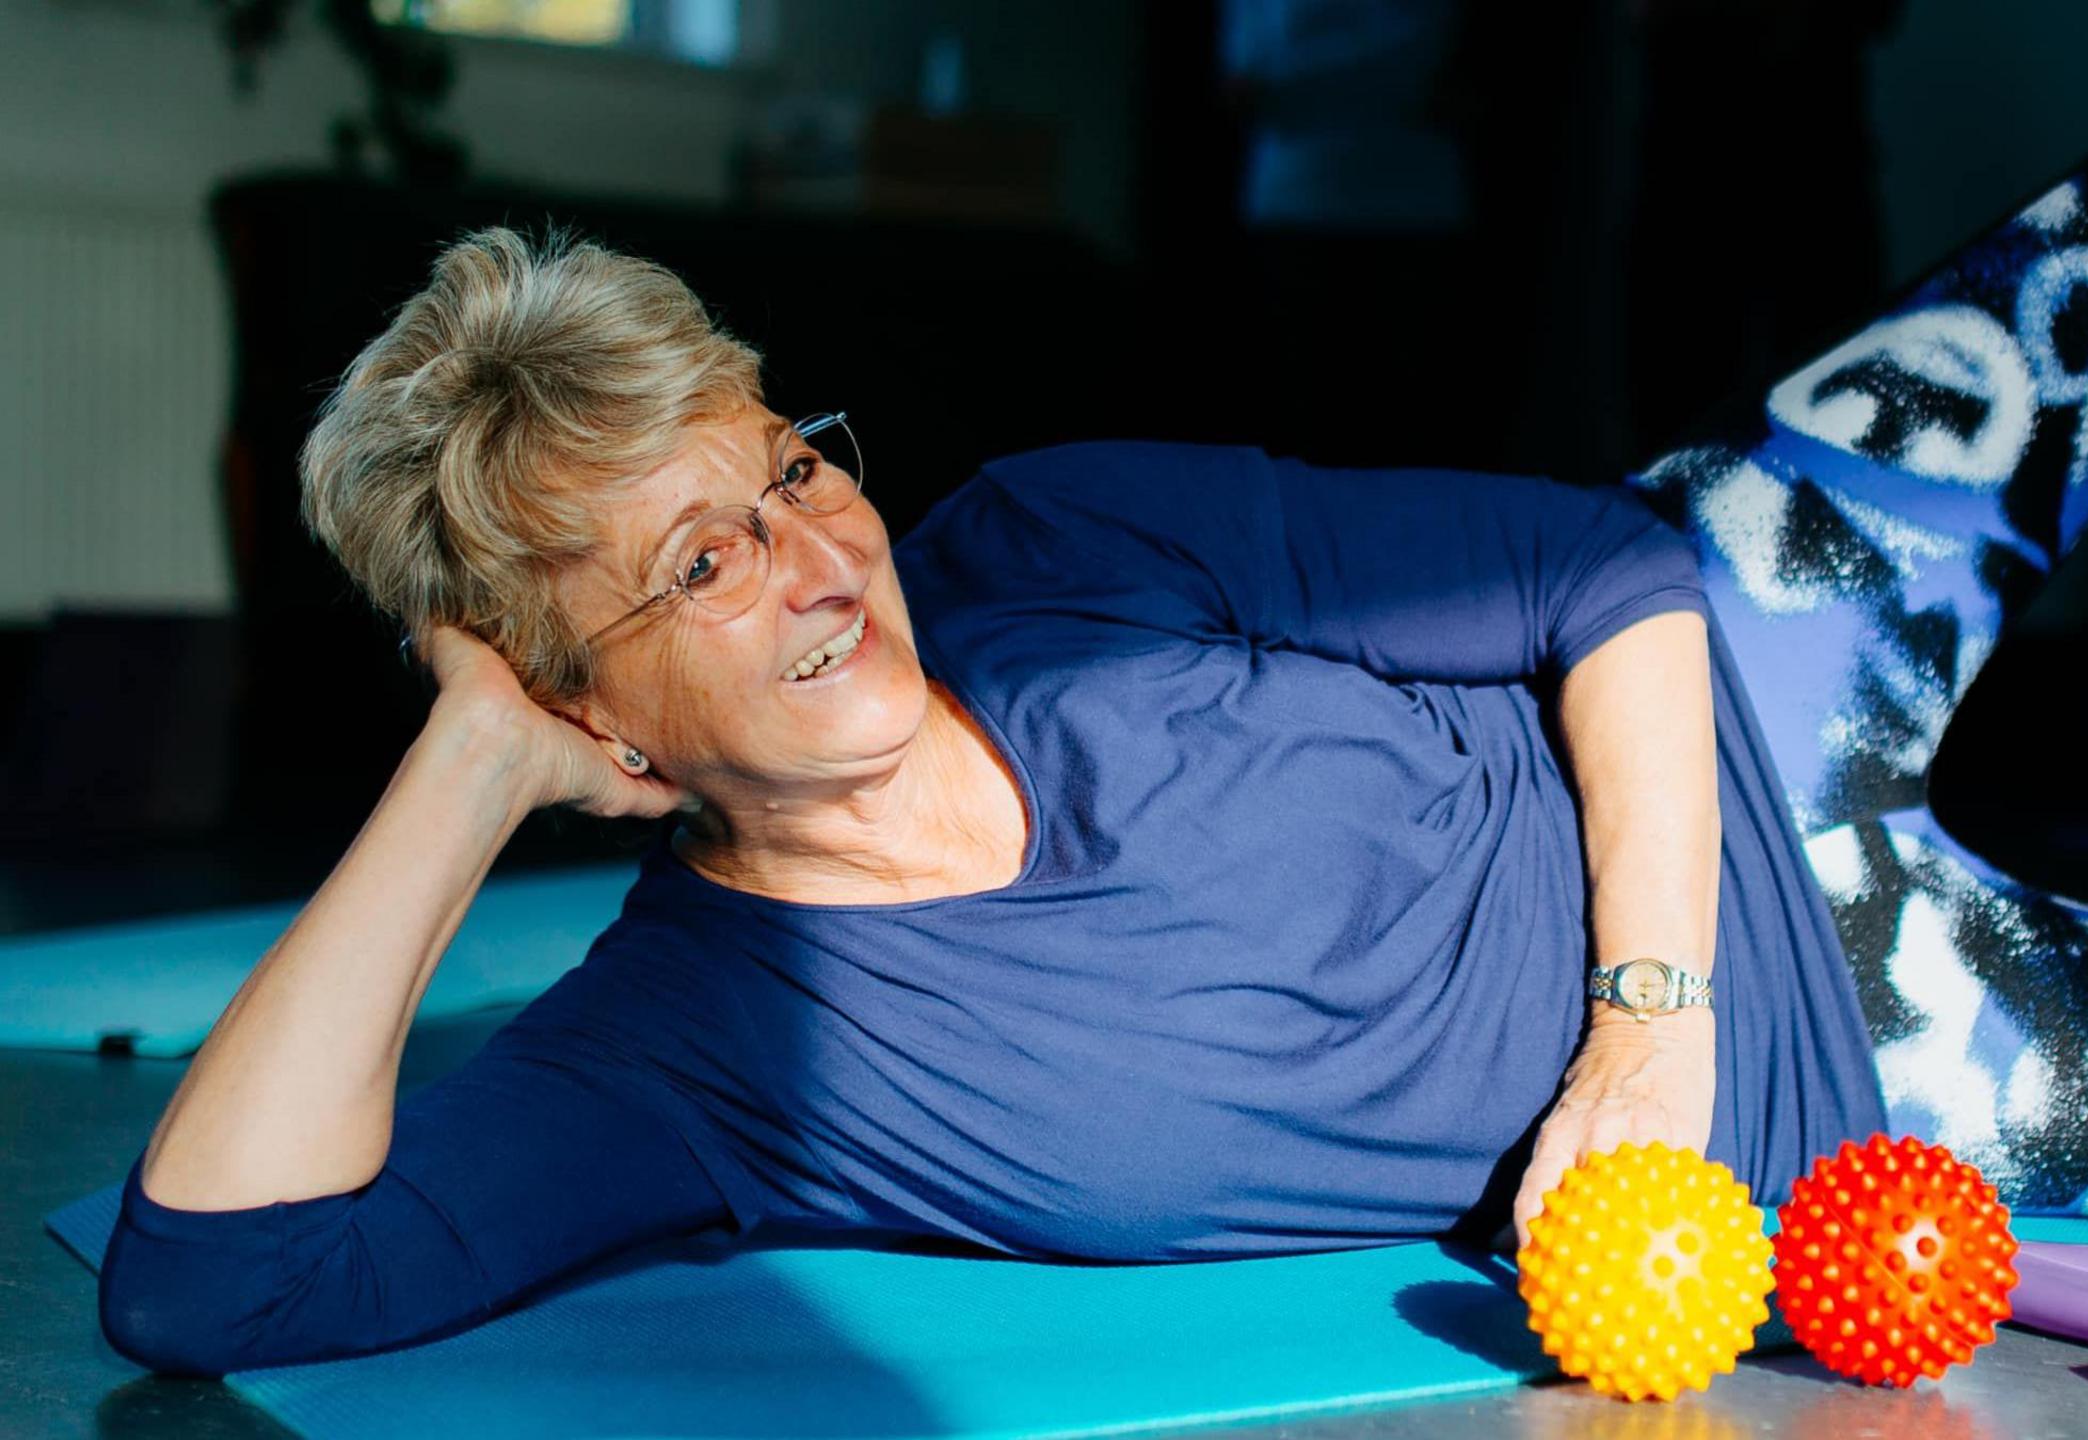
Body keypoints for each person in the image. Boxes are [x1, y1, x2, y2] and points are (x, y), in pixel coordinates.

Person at [93, 226, 1882, 1375]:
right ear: (584, 704)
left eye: (791, 470)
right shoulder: (705, 1056)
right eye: (704, 560)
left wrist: (1651, 1028)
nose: (816, 562)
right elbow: (213, 1287)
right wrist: (470, 761)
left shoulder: (1057, 542)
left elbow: (1607, 569)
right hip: (1885, 1111)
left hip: (1763, 705)